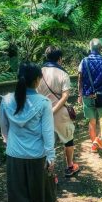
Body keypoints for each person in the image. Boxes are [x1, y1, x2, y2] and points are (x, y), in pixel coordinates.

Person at [0, 62, 56, 202]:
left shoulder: (7, 100)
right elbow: (47, 132)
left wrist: (12, 144)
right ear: (38, 79)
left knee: (19, 191)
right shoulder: (43, 103)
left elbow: (4, 129)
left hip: (15, 154)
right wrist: (51, 156)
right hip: (37, 155)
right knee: (43, 182)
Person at [37, 46, 79, 177]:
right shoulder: (63, 74)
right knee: (68, 140)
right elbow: (65, 96)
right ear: (60, 59)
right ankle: (70, 167)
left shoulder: (39, 72)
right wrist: (54, 110)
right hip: (60, 114)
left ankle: (49, 174)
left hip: (42, 113)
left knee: (46, 144)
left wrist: (46, 111)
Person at [78, 38, 102, 153]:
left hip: (87, 96)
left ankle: (94, 145)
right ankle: (98, 141)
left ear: (90, 48)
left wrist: (79, 94)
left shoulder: (83, 61)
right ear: (100, 49)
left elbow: (80, 78)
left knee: (92, 122)